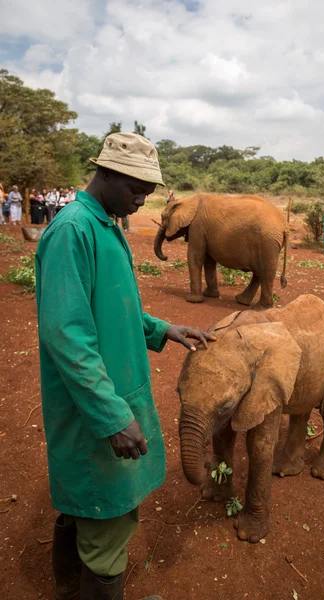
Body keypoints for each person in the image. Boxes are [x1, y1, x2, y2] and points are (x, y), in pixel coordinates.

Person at [35, 132, 215, 600]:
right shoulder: (74, 230)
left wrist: (161, 329)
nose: (142, 199)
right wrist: (112, 417)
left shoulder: (106, 225)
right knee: (106, 514)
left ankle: (71, 591)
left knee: (88, 507)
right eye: (136, 189)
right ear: (108, 172)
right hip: (93, 409)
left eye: (149, 192)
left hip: (111, 394)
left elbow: (114, 309)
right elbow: (67, 335)